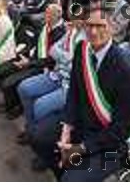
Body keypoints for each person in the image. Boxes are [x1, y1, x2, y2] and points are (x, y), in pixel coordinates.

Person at [32, 4, 130, 182]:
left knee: (72, 180)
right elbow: (74, 92)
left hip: (111, 139)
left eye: (100, 26)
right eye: (89, 25)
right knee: (37, 136)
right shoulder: (82, 49)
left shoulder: (129, 70)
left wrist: (81, 148)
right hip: (83, 122)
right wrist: (66, 129)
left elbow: (121, 130)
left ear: (113, 28)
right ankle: (61, 169)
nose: (93, 31)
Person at [15, 13, 87, 145]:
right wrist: (67, 57)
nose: (73, 19)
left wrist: (63, 57)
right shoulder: (71, 32)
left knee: (40, 106)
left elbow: (76, 66)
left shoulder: (88, 38)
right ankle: (32, 130)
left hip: (71, 85)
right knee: (24, 88)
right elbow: (53, 50)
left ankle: (41, 140)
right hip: (57, 74)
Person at [0, 3, 65, 116]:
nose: (45, 16)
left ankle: (15, 107)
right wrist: (23, 54)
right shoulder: (44, 27)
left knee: (9, 83)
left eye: (48, 14)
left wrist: (29, 63)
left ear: (56, 16)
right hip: (30, 58)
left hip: (41, 66)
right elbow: (33, 44)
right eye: (46, 13)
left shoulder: (61, 34)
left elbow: (51, 60)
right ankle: (12, 99)